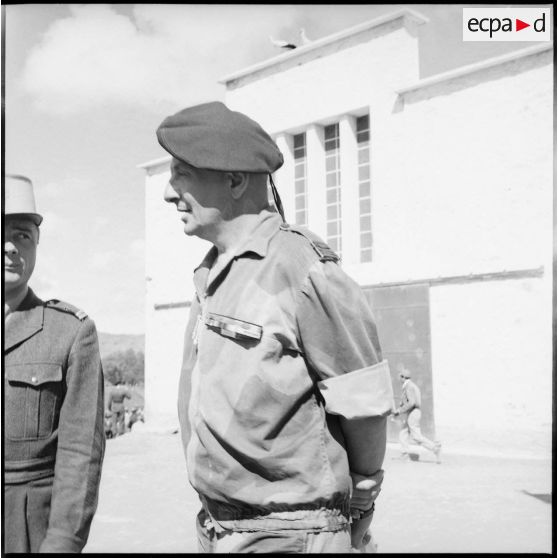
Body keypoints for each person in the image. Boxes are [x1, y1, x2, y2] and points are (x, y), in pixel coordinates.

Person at [157, 101, 395, 553]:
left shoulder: (301, 268)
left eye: (181, 173)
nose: (169, 193)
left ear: (233, 179)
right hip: (221, 526)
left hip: (289, 533)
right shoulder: (212, 275)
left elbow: (362, 403)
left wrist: (361, 501)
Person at [4, 174, 105, 552]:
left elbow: (81, 456)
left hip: (28, 530)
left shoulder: (70, 334)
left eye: (23, 235)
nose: (12, 247)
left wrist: (62, 543)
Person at [392, 368, 442, 463]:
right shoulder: (411, 385)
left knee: (416, 437)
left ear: (403, 377)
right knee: (403, 433)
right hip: (412, 412)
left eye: (400, 377)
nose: (399, 379)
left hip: (413, 413)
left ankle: (435, 448)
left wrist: (399, 411)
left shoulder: (408, 387)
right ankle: (404, 454)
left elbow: (411, 402)